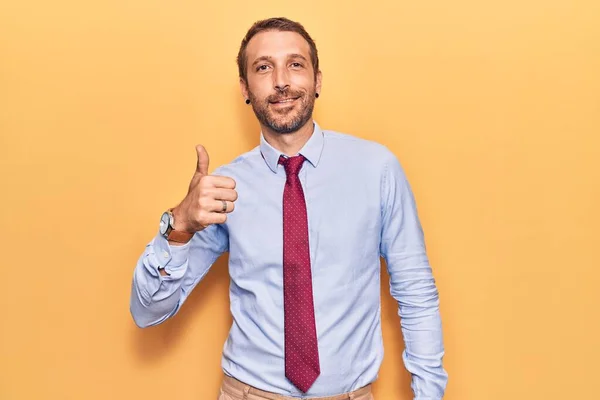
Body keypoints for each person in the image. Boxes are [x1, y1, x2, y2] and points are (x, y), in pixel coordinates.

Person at [130, 17, 448, 400]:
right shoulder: (223, 189)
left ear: (317, 79)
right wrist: (179, 225)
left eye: (295, 64)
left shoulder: (376, 169)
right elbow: (147, 312)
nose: (281, 81)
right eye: (263, 67)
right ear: (246, 89)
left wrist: (429, 394)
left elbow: (416, 290)